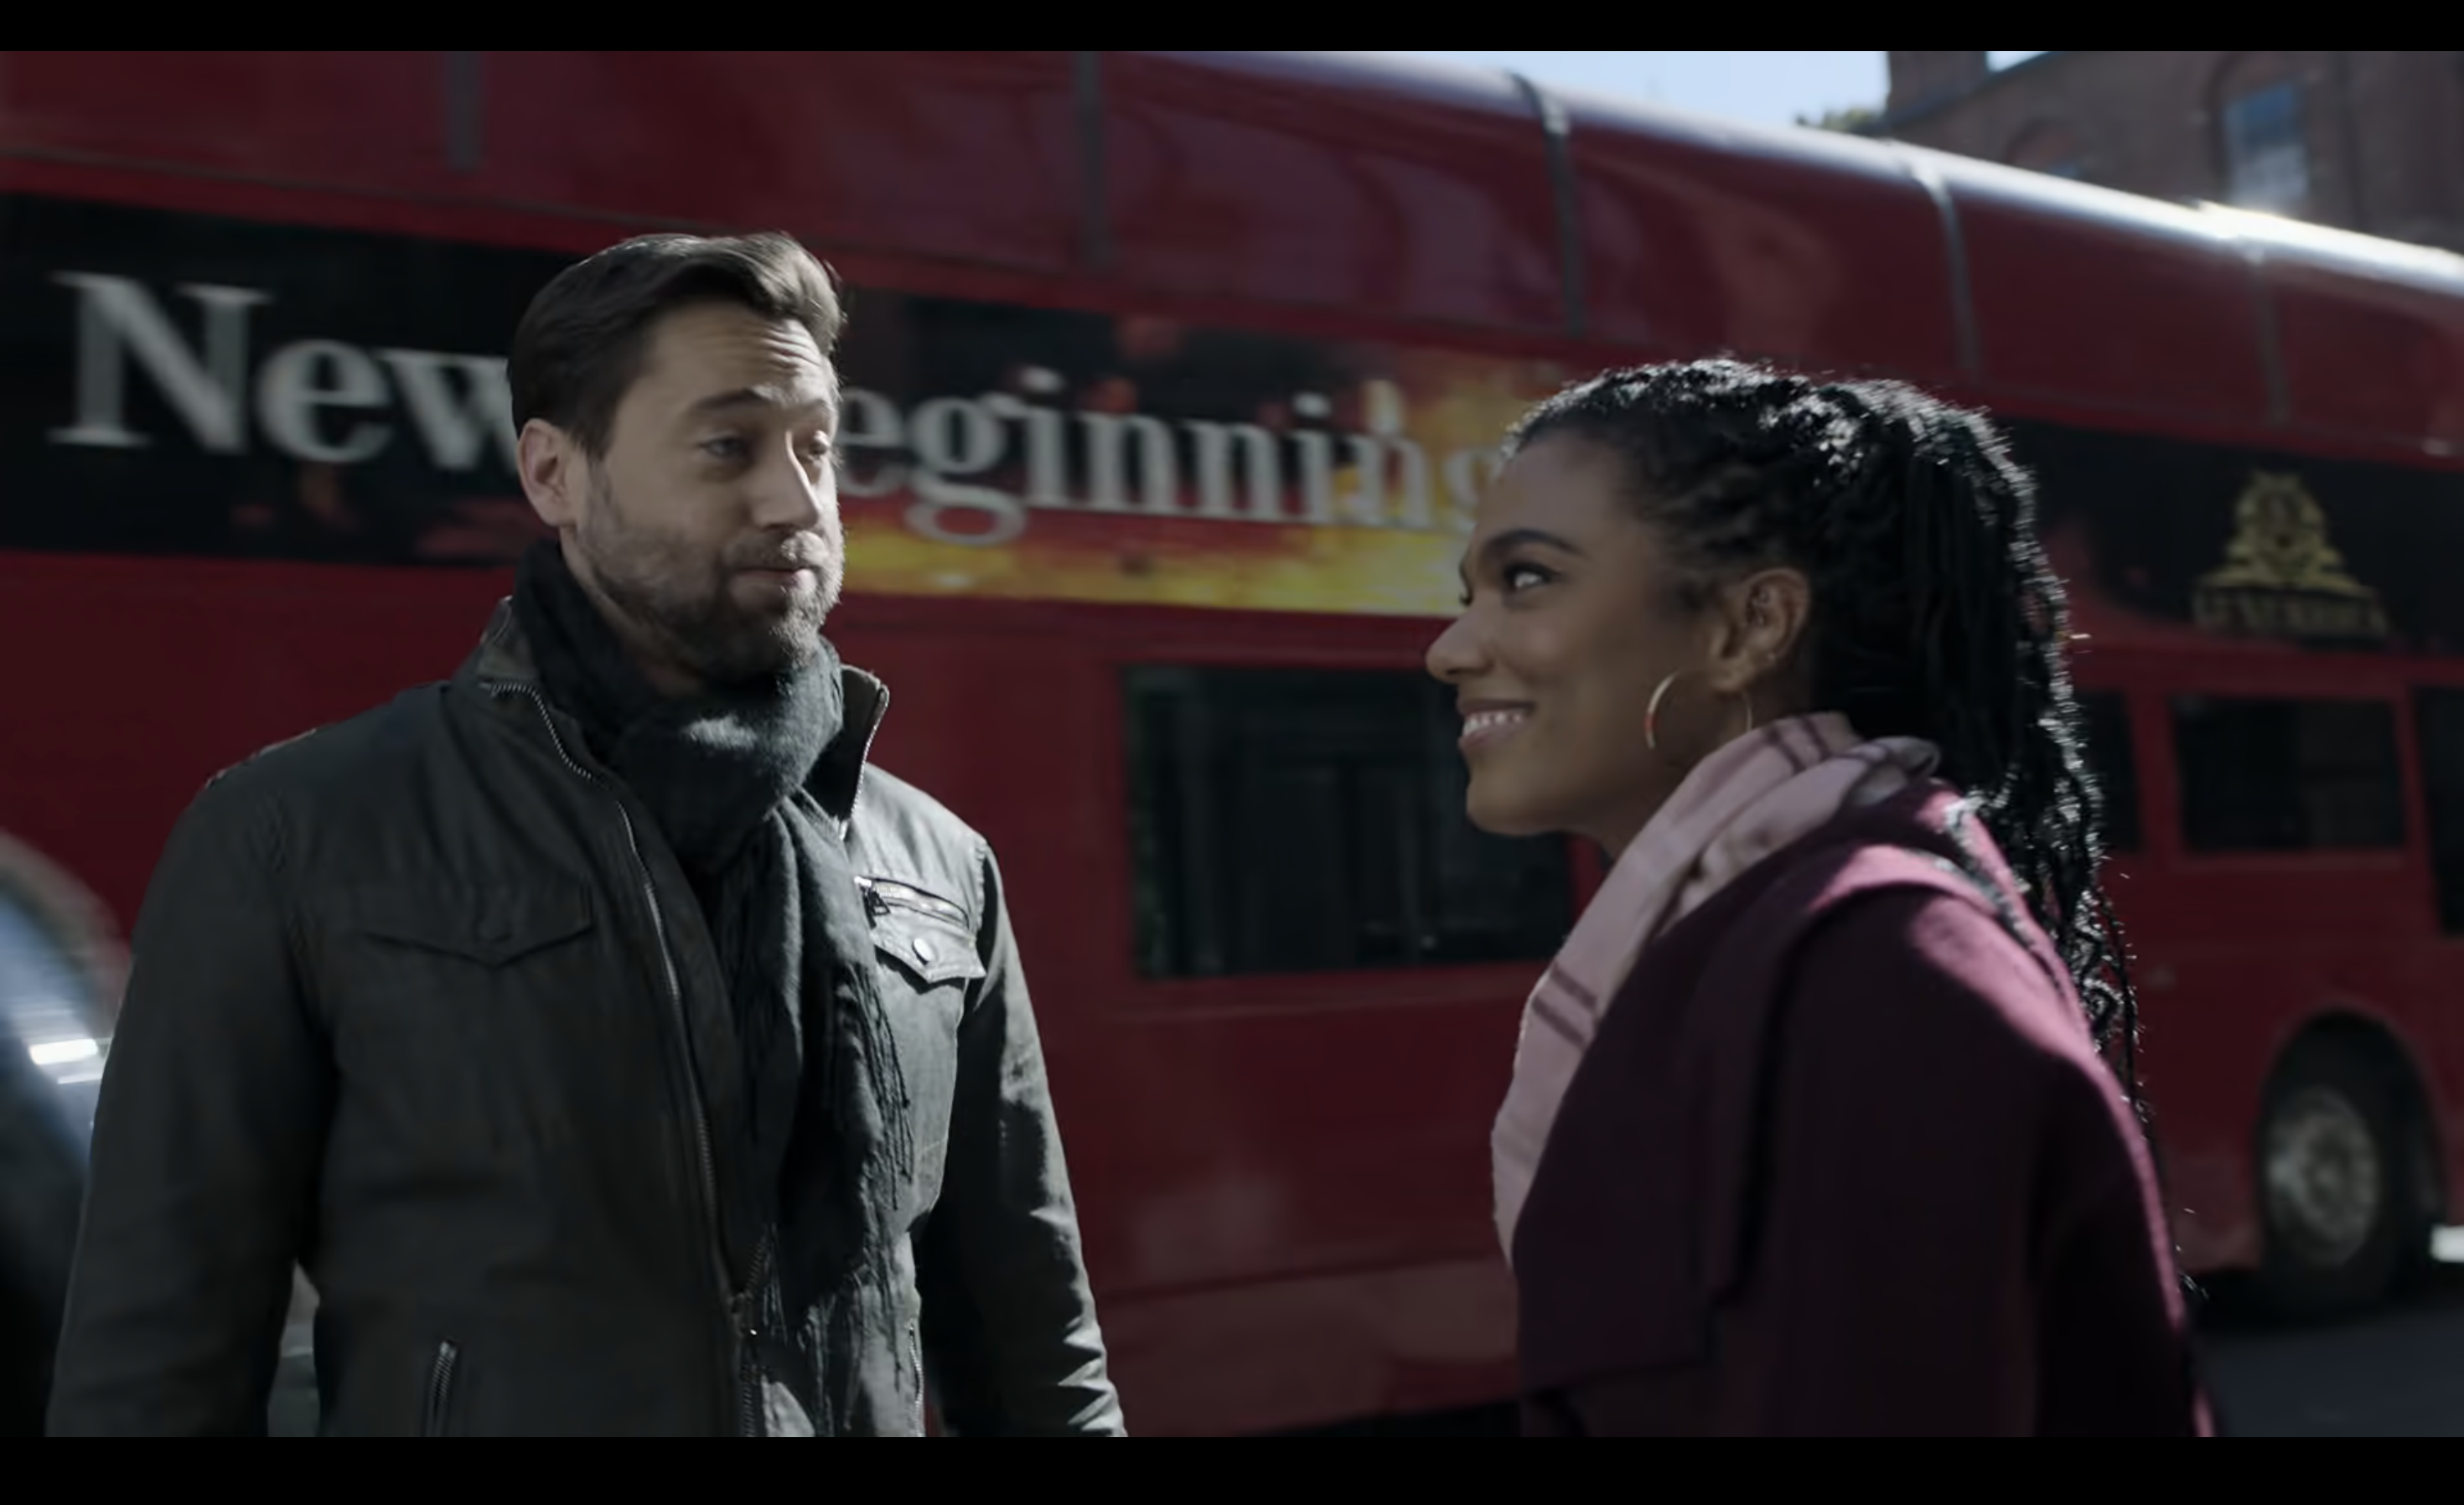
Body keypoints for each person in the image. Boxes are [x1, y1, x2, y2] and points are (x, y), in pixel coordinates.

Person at [48, 233, 1125, 1437]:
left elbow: (1038, 1354)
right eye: (729, 446)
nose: (796, 501)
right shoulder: (293, 838)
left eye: (816, 447)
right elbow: (152, 1374)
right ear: (555, 475)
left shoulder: (936, 866)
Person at [1430, 359, 2213, 1437]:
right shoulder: (1744, 942)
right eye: (1465, 593)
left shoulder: (1882, 966)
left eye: (1526, 580)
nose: (1450, 648)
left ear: (1749, 627)